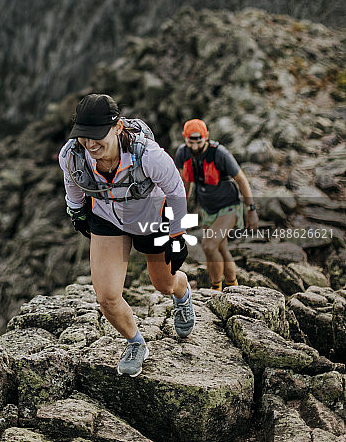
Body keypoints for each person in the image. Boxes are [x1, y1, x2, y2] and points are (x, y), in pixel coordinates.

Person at [59, 93, 195, 378]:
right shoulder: (72, 156)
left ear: (118, 127)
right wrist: (77, 212)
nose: (90, 144)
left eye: (98, 136)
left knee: (164, 285)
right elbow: (73, 185)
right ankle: (136, 343)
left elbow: (176, 192)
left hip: (150, 219)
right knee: (107, 297)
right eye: (84, 136)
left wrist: (177, 234)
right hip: (108, 220)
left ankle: (182, 294)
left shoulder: (149, 155)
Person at [174, 119, 258, 291]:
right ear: (185, 139)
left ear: (206, 138)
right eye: (191, 143)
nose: (195, 147)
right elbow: (186, 183)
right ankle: (233, 286)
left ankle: (216, 289)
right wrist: (181, 210)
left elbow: (241, 180)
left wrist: (251, 210)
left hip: (229, 207)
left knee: (209, 245)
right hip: (208, 210)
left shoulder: (220, 154)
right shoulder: (183, 154)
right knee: (221, 247)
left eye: (199, 142)